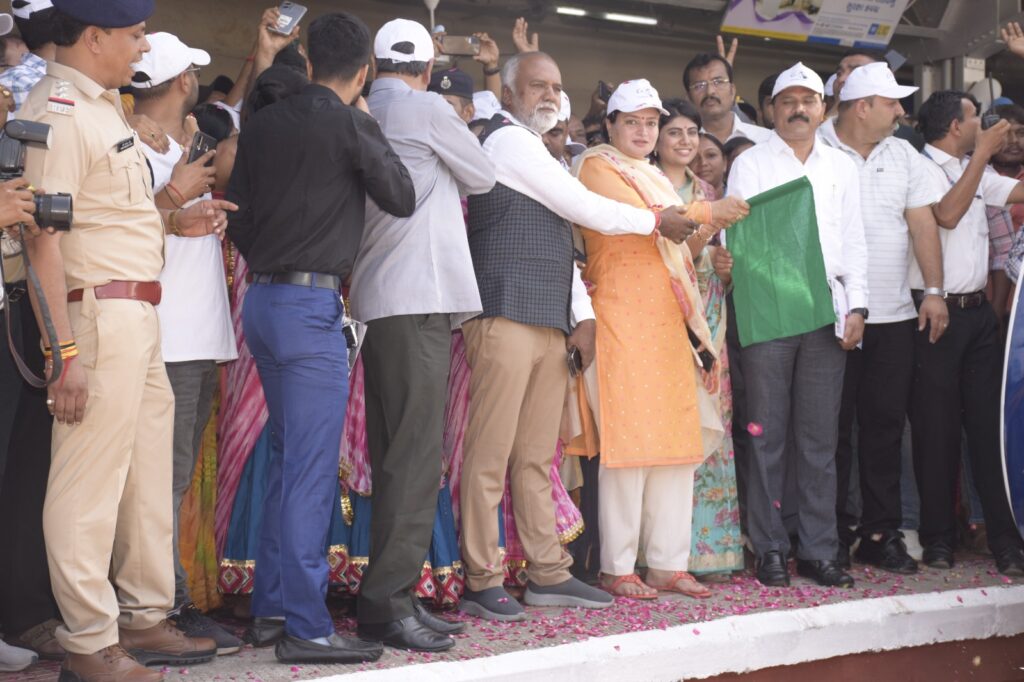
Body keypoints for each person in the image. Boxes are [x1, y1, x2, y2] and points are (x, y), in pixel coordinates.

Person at [20, 0, 242, 679]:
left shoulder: (102, 107)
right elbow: (40, 238)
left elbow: (105, 218)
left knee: (145, 480)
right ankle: (89, 641)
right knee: (88, 488)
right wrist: (64, 354)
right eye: (135, 34)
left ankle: (145, 618)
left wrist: (170, 221)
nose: (144, 48)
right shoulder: (56, 111)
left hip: (139, 312)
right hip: (97, 317)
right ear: (94, 37)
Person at [459, 51, 698, 621]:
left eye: (556, 85)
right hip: (504, 314)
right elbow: (579, 206)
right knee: (491, 456)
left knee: (536, 458)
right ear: (509, 91)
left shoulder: (540, 151)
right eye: (536, 84)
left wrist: (581, 314)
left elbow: (564, 246)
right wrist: (654, 220)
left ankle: (547, 574)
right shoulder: (508, 140)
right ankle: (480, 577)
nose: (549, 94)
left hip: (546, 320)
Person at [225, 11, 415, 664]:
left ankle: (273, 610)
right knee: (306, 473)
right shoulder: (349, 121)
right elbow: (401, 194)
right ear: (363, 70)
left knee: (285, 462)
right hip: (310, 310)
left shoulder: (263, 121)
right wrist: (362, 118)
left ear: (305, 60)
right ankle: (307, 626)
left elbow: (239, 220)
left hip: (263, 301)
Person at [351, 17, 494, 654]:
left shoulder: (359, 110)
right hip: (421, 298)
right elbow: (484, 175)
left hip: (377, 301)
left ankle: (391, 598)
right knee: (411, 461)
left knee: (392, 456)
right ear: (430, 69)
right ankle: (387, 605)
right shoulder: (428, 108)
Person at [572, 80, 745, 599]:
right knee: (629, 444)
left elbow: (677, 245)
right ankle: (617, 565)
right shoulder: (598, 166)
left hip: (669, 317)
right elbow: (644, 222)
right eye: (633, 122)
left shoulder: (652, 175)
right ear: (610, 125)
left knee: (675, 442)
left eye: (651, 122)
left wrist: (708, 240)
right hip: (622, 314)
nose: (644, 131)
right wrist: (706, 213)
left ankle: (669, 563)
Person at [725, 62, 867, 589]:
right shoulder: (752, 164)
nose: (798, 109)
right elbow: (741, 240)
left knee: (818, 439)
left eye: (808, 100)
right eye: (788, 101)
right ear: (772, 109)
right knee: (766, 435)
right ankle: (770, 549)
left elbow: (854, 243)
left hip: (826, 313)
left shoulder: (841, 167)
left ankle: (819, 549)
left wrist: (859, 308)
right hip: (770, 312)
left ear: (823, 110)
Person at [129, 31, 241, 651]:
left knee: (172, 477)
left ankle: (167, 599)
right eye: (192, 73)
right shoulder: (134, 145)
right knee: (161, 479)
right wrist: (173, 208)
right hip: (163, 336)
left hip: (197, 334)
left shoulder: (183, 146)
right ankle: (160, 606)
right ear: (181, 83)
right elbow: (123, 224)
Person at [819, 62, 948, 574]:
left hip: (894, 314)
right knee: (829, 430)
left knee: (884, 426)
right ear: (861, 106)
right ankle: (827, 532)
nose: (900, 110)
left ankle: (878, 532)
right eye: (891, 102)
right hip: (830, 315)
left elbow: (923, 227)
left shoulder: (904, 153)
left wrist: (933, 291)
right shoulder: (817, 148)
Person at [910, 88, 1024, 575]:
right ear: (956, 126)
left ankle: (1004, 537)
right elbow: (947, 215)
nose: (984, 124)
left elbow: (1015, 193)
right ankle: (938, 539)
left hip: (979, 314)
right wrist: (981, 156)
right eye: (976, 117)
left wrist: (981, 159)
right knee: (935, 432)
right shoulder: (920, 167)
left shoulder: (977, 168)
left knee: (987, 430)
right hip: (935, 313)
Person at [653, 97, 745, 578]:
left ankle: (708, 551)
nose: (686, 141)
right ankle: (663, 555)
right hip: (665, 318)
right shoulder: (646, 186)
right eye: (676, 133)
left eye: (692, 132)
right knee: (670, 427)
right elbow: (670, 257)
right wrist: (706, 224)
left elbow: (715, 264)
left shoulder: (708, 188)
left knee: (711, 423)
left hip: (709, 316)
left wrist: (724, 273)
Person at [683, 53, 769, 145]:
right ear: (689, 98)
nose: (710, 91)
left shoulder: (765, 139)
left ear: (732, 91)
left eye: (718, 82)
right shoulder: (683, 143)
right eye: (699, 86)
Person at [692, 133, 727, 197]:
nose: (703, 163)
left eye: (711, 155)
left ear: (725, 162)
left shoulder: (742, 195)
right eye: (694, 158)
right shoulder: (676, 201)